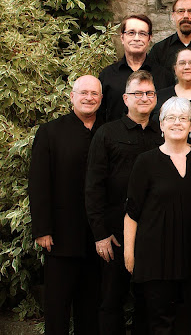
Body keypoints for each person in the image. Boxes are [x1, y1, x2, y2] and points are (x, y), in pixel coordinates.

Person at [124, 97, 191, 334]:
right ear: (161, 125)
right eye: (170, 118)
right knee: (159, 323)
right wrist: (129, 254)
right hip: (155, 256)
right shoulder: (145, 162)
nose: (177, 123)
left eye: (183, 118)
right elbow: (132, 213)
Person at [85, 70, 163, 334]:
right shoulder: (107, 134)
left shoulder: (163, 134)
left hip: (152, 233)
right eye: (138, 93)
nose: (144, 98)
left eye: (149, 93)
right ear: (125, 99)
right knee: (111, 300)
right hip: (114, 235)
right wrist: (100, 234)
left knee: (148, 302)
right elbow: (93, 186)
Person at [28, 75, 103, 335]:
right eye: (83, 93)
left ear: (101, 99)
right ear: (71, 96)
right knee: (58, 307)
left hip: (97, 237)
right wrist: (42, 229)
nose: (89, 98)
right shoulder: (50, 132)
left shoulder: (107, 131)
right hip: (60, 236)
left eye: (94, 93)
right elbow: (38, 183)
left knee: (90, 307)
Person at [98, 14, 173, 121]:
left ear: (149, 38)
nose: (137, 38)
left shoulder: (164, 76)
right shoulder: (107, 75)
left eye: (142, 33)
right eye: (131, 33)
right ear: (122, 38)